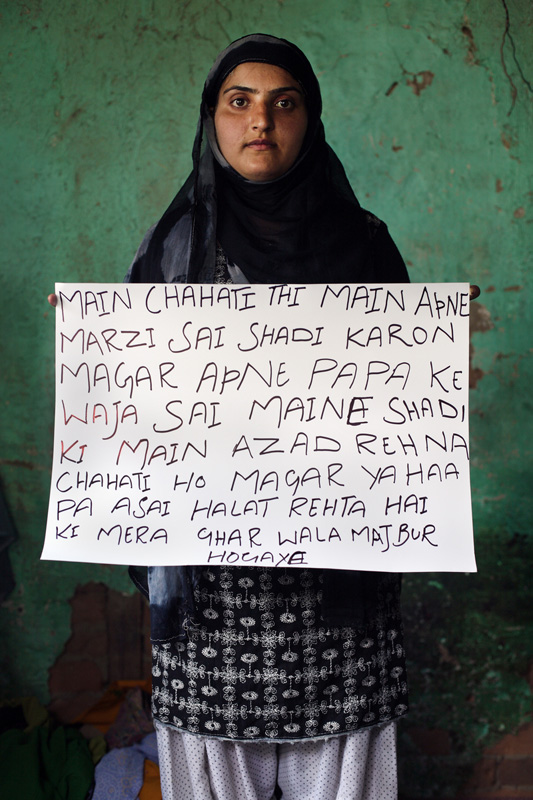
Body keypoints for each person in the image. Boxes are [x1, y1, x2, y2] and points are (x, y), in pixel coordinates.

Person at [46, 33, 477, 800]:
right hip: (211, 597)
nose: (260, 122)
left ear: (310, 119)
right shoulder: (172, 251)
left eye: (284, 103)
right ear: (211, 117)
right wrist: (94, 344)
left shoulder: (364, 246)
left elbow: (397, 412)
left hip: (338, 592)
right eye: (238, 102)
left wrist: (437, 342)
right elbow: (135, 417)